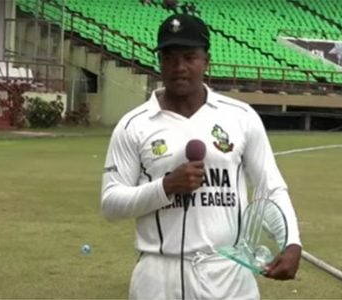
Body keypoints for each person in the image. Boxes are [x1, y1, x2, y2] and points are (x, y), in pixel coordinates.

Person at [101, 14, 302, 300]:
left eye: (189, 56)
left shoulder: (240, 117)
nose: (179, 67)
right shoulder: (134, 124)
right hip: (159, 275)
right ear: (159, 61)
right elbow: (111, 204)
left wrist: (292, 242)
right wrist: (166, 186)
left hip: (229, 272)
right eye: (170, 57)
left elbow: (271, 186)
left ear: (206, 60)